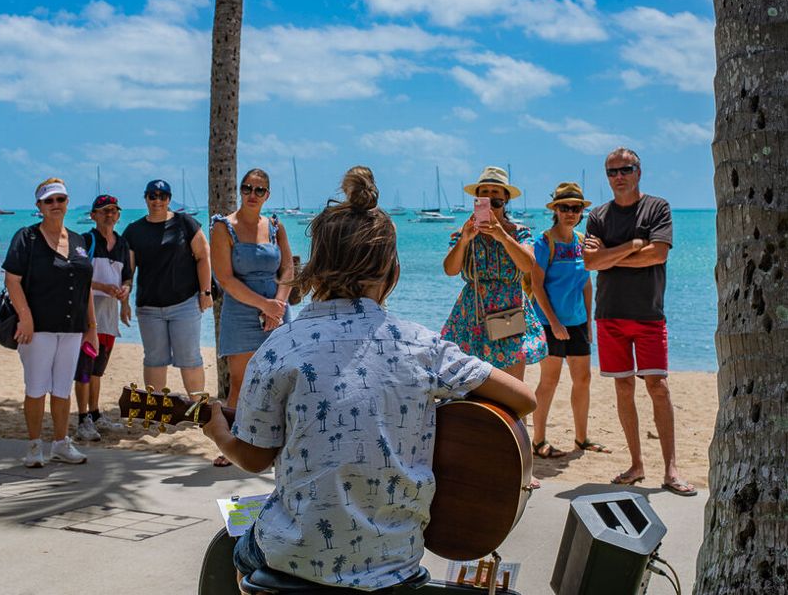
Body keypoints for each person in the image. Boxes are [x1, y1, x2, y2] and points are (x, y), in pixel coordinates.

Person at [202, 166, 536, 591]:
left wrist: (218, 433)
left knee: (237, 551)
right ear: (392, 273)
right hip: (397, 563)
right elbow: (523, 399)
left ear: (314, 271)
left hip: (296, 559)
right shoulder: (421, 345)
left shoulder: (281, 345)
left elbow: (253, 457)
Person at [583, 147, 696, 496]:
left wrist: (609, 256)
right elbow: (590, 263)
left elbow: (658, 254)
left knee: (658, 387)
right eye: (612, 171)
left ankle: (671, 469)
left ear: (638, 172)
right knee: (623, 388)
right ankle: (636, 464)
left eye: (625, 169)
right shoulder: (598, 216)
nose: (619, 176)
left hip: (648, 314)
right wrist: (632, 246)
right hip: (610, 314)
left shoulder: (657, 208)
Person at [3, 178, 97, 468]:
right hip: (38, 328)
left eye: (61, 199)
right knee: (36, 388)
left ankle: (60, 442)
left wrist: (91, 327)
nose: (56, 205)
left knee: (62, 389)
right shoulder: (26, 237)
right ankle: (34, 445)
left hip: (71, 328)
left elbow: (87, 287)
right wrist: (26, 317)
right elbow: (12, 280)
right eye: (49, 201)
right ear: (39, 206)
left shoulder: (80, 241)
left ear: (68, 203)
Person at [210, 168, 293, 467]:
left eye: (259, 190)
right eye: (247, 188)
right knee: (240, 380)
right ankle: (232, 443)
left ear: (268, 195)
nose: (252, 195)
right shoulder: (223, 227)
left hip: (276, 310)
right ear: (240, 190)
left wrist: (278, 305)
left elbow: (287, 270)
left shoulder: (275, 226)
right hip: (241, 309)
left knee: (280, 378)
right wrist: (263, 305)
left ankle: (279, 441)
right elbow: (225, 279)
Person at [442, 166, 547, 381]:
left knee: (513, 390)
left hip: (509, 312)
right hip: (472, 314)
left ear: (506, 198)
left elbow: (528, 265)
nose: (490, 197)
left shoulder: (520, 232)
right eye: (484, 193)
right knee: (474, 386)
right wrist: (464, 240)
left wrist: (503, 236)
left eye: (496, 193)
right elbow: (450, 270)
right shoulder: (464, 233)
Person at [530, 183, 610, 459]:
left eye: (576, 208)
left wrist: (588, 322)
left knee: (583, 379)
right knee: (549, 381)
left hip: (576, 322)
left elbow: (586, 284)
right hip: (549, 323)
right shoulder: (545, 242)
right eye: (565, 208)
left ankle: (582, 438)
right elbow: (536, 285)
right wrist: (553, 323)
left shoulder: (580, 242)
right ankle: (538, 440)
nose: (570, 213)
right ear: (556, 210)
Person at [123, 180, 212, 395]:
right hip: (149, 308)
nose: (157, 200)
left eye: (162, 196)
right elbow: (128, 272)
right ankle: (156, 410)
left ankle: (197, 409)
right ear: (145, 198)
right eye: (152, 196)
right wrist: (123, 302)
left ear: (169, 199)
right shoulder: (134, 231)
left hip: (185, 304)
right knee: (154, 360)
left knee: (190, 358)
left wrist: (205, 292)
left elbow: (203, 256)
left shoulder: (185, 223)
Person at [72, 194, 131, 441]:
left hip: (109, 319)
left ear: (118, 216)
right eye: (104, 211)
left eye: (113, 211)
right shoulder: (86, 240)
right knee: (83, 370)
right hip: (88, 317)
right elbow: (76, 277)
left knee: (97, 371)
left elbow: (127, 277)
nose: (109, 215)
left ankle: (96, 415)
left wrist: (125, 292)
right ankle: (82, 418)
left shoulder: (122, 244)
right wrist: (103, 287)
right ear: (93, 215)